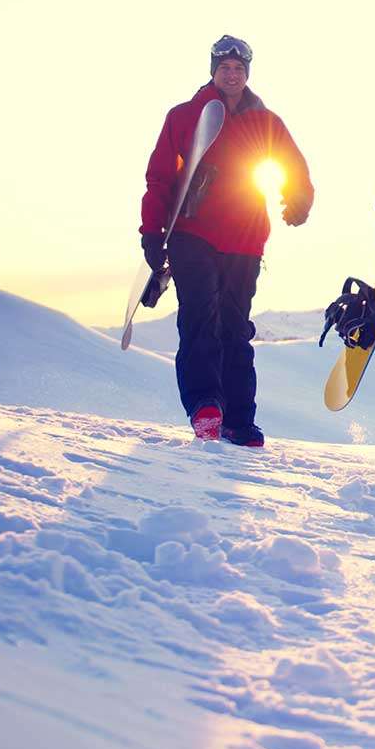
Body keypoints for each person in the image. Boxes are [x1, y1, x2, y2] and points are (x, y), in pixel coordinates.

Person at [139, 35, 314, 448]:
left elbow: (292, 165)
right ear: (213, 71)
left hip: (246, 237)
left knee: (235, 326)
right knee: (201, 316)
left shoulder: (266, 121)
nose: (231, 75)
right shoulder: (184, 116)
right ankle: (205, 408)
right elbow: (160, 176)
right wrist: (151, 230)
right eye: (224, 68)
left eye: (238, 69)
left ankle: (238, 418)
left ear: (247, 73)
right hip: (192, 232)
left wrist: (299, 199)